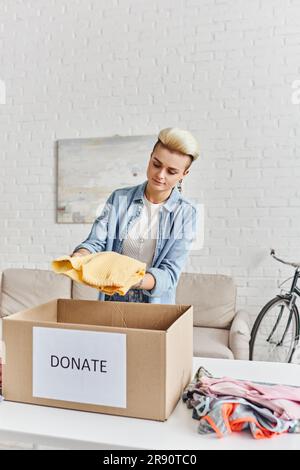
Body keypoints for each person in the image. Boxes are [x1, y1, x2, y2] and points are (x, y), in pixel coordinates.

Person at [72, 127, 199, 304]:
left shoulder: (186, 213)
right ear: (150, 158)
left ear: (184, 174)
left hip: (153, 306)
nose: (160, 175)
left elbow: (169, 274)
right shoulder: (119, 198)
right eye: (156, 164)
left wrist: (132, 280)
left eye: (171, 171)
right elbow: (96, 242)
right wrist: (80, 256)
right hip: (112, 300)